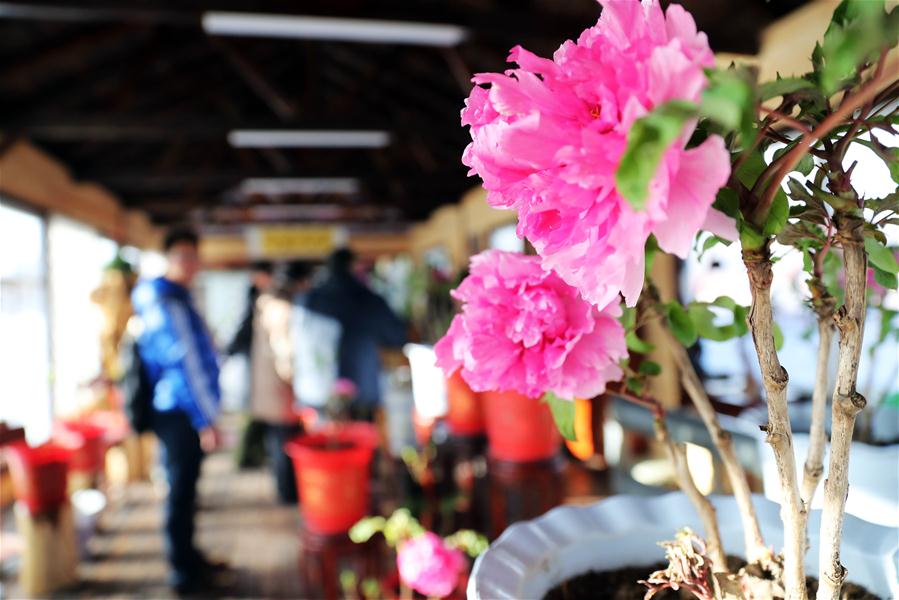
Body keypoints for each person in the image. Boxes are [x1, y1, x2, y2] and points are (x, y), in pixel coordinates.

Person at [131, 227, 224, 595]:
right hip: (178, 412)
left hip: (181, 410)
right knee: (180, 490)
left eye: (192, 255)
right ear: (169, 259)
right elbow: (183, 363)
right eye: (180, 256)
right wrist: (205, 420)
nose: (188, 263)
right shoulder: (165, 301)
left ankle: (188, 557)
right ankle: (182, 573)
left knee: (186, 490)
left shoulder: (177, 297)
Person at [302, 248, 407, 421]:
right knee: (362, 441)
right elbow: (396, 337)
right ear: (353, 267)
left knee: (325, 441)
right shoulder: (369, 299)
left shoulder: (311, 299)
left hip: (320, 386)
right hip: (362, 387)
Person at [251, 261, 312, 503]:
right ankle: (288, 493)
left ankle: (284, 490)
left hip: (269, 388)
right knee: (284, 443)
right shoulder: (281, 308)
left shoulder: (266, 304)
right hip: (280, 391)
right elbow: (284, 354)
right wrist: (299, 384)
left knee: (278, 441)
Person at [226, 261, 274, 469]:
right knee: (251, 412)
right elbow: (240, 333)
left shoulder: (256, 298)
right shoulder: (251, 299)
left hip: (256, 362)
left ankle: (251, 455)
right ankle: (245, 456)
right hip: (251, 362)